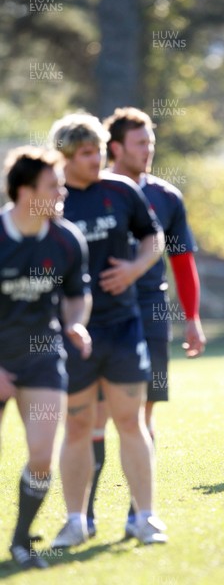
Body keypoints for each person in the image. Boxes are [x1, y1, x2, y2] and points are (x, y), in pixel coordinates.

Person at [86, 106, 206, 538]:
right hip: (101, 318)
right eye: (140, 143)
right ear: (115, 148)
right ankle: (85, 515)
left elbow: (182, 261)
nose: (148, 150)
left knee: (142, 415)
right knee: (95, 416)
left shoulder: (167, 197)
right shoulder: (91, 193)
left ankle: (140, 514)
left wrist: (191, 318)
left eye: (151, 142)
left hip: (153, 316)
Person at [49, 113, 168, 547]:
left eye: (100, 149)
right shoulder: (52, 199)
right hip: (73, 335)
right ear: (64, 157)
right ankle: (76, 521)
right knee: (78, 427)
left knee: (130, 421)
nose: (96, 159)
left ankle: (145, 518)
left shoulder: (122, 190)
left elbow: (153, 238)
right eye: (86, 153)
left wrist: (135, 268)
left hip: (123, 325)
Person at [0, 146, 92, 569]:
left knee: (41, 456)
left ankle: (21, 541)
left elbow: (77, 295)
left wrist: (75, 323)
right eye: (53, 186)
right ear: (23, 190)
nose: (62, 193)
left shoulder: (66, 239)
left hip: (41, 355)